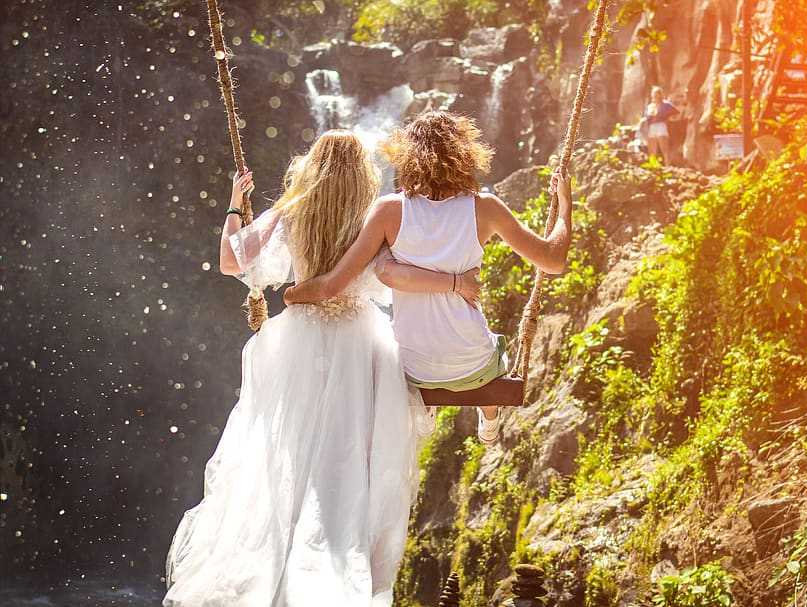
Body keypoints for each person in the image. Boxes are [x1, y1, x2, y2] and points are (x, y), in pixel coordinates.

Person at [163, 130, 480, 606]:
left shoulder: (292, 211)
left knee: (289, 457)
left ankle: (285, 568)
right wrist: (456, 284)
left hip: (299, 342)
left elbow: (231, 262)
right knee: (350, 462)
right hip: (361, 343)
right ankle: (340, 565)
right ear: (363, 174)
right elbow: (397, 276)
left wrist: (234, 204)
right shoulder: (376, 218)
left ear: (311, 164)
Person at [283, 111, 573, 445]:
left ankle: (426, 409)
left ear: (407, 157)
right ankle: (489, 417)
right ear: (465, 155)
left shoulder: (388, 211)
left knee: (406, 353)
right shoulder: (486, 208)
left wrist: (291, 295)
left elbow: (331, 286)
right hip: (471, 364)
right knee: (492, 354)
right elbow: (553, 261)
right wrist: (565, 208)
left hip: (412, 368)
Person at [644, 85, 679, 163]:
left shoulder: (666, 104)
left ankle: (667, 165)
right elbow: (646, 117)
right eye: (654, 93)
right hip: (652, 127)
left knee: (664, 148)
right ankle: (653, 166)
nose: (655, 95)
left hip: (661, 125)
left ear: (660, 94)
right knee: (652, 149)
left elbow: (676, 112)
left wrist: (670, 119)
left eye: (657, 93)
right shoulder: (650, 106)